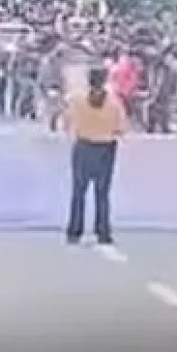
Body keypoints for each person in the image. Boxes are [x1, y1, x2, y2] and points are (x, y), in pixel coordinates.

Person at [63, 67, 128, 245]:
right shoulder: (114, 102)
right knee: (102, 193)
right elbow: (121, 127)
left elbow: (67, 120)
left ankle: (74, 231)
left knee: (78, 191)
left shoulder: (77, 99)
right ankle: (103, 232)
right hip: (105, 148)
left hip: (83, 146)